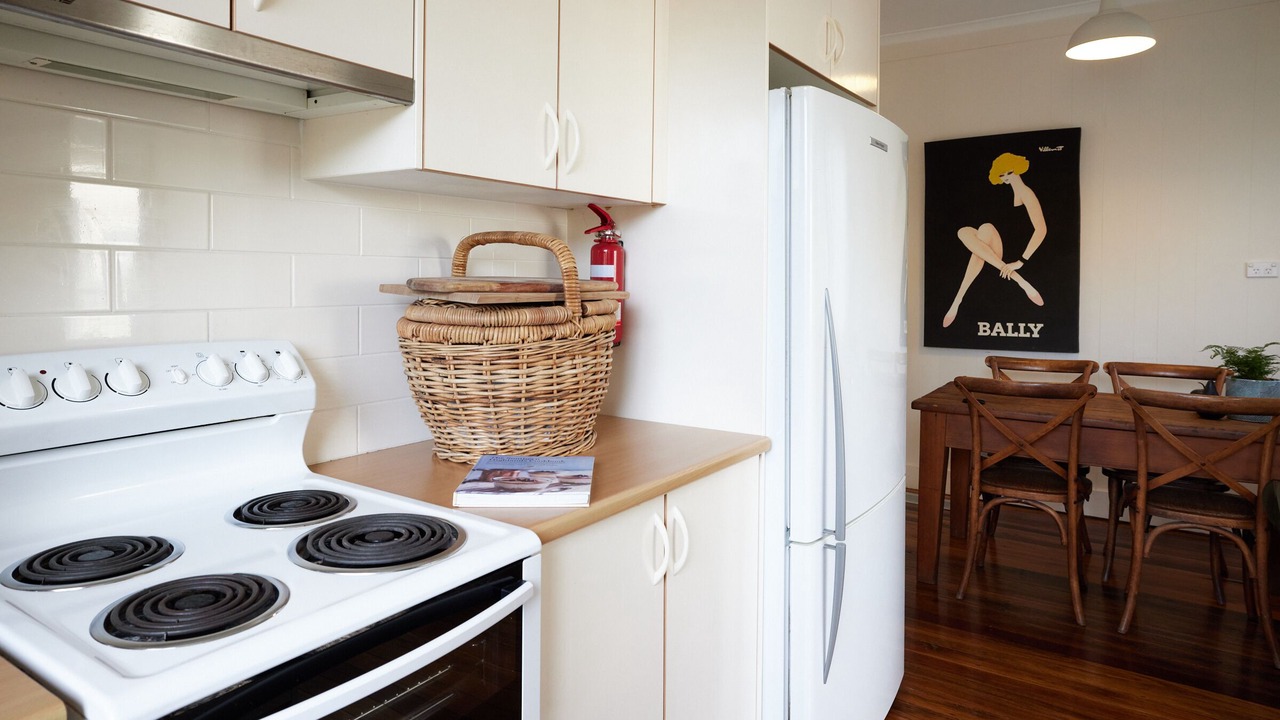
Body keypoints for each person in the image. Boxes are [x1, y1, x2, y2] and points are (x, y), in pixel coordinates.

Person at [942, 152, 1046, 328]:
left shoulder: (1026, 193)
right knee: (967, 231)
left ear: (1017, 169)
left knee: (985, 229)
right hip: (991, 251)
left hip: (1008, 250)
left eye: (1008, 173)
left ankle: (958, 299)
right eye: (1002, 174)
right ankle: (1021, 281)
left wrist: (1021, 261)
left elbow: (1041, 229)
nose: (1005, 178)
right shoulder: (1006, 194)